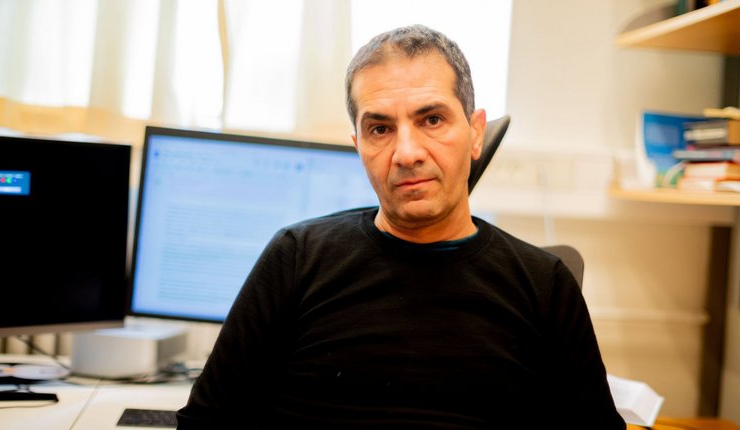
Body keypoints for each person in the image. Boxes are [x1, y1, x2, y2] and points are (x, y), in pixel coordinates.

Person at [177, 25, 624, 429]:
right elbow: (205, 422)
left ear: (475, 133)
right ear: (358, 145)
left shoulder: (544, 285)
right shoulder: (297, 257)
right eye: (380, 129)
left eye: (432, 120)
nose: (407, 153)